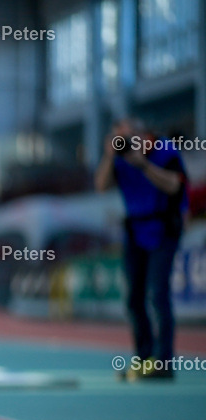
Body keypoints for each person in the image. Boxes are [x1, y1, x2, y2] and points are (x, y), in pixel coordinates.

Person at [94, 119, 188, 380]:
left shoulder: (165, 150)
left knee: (157, 294)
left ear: (142, 133)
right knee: (134, 298)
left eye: (126, 136)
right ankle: (144, 358)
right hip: (134, 231)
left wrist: (143, 164)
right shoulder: (118, 158)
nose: (123, 141)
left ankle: (163, 362)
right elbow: (101, 187)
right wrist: (109, 156)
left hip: (163, 228)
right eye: (117, 137)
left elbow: (175, 185)